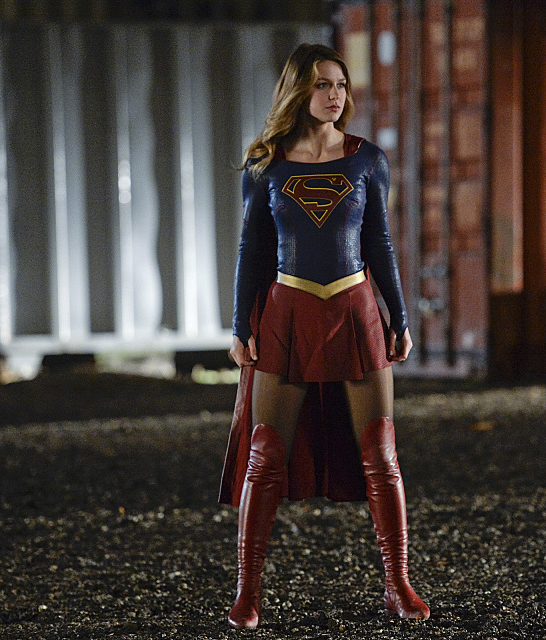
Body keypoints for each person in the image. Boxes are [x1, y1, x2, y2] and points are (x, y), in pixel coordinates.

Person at [219, 43, 430, 629]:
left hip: (355, 309)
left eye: (340, 85)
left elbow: (380, 243)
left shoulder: (368, 160)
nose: (335, 95)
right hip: (286, 311)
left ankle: (398, 585)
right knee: (265, 454)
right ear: (298, 90)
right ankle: (247, 593)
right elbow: (251, 250)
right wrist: (239, 327)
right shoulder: (266, 164)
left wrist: (399, 318)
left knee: (381, 452)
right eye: (321, 85)